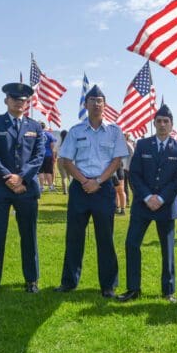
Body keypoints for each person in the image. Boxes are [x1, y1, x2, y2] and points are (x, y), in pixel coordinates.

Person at [55, 85, 128, 296]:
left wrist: (97, 181)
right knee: (74, 237)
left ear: (105, 105)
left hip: (103, 188)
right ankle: (69, 282)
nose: (96, 104)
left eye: (100, 100)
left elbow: (117, 160)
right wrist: (85, 181)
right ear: (85, 104)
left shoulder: (114, 131)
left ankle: (108, 285)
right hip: (80, 188)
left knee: (105, 238)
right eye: (92, 100)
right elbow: (66, 160)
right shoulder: (76, 131)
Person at [117, 104, 177, 303]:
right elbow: (135, 175)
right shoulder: (142, 145)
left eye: (166, 121)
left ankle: (168, 291)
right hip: (143, 205)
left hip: (166, 206)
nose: (162, 124)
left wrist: (162, 198)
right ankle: (133, 288)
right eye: (159, 121)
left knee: (168, 249)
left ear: (172, 125)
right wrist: (148, 197)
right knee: (132, 244)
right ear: (154, 123)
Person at [0, 83, 45, 298]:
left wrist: (21, 177)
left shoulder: (35, 127)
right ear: (6, 100)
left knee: (29, 235)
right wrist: (8, 177)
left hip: (25, 188)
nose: (19, 102)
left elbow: (38, 157)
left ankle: (31, 280)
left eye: (24, 99)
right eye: (15, 98)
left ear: (28, 103)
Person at [39, 122, 57, 192]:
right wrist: (54, 156)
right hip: (48, 155)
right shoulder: (49, 135)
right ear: (45, 127)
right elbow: (52, 146)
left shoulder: (37, 134)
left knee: (40, 172)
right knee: (48, 172)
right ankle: (50, 187)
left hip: (39, 155)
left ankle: (41, 187)